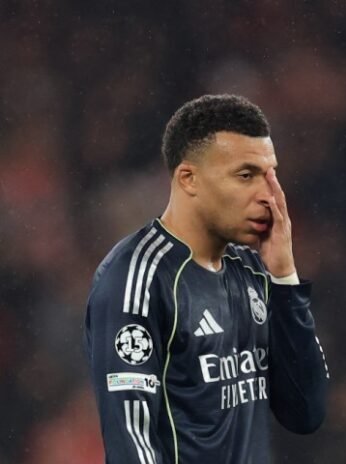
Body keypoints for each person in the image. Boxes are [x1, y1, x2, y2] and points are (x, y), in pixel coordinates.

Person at [84, 94, 330, 464]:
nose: (268, 196)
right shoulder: (137, 278)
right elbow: (131, 438)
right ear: (189, 179)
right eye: (246, 176)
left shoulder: (254, 271)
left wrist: (284, 277)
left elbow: (306, 412)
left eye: (271, 175)